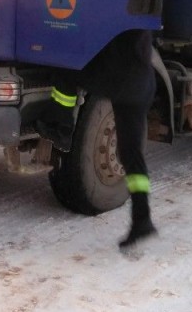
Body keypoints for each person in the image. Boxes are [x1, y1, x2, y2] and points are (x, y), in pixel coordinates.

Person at [36, 29, 157, 249]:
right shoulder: (142, 15)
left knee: (66, 68)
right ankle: (143, 219)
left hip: (120, 80)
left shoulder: (117, 15)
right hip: (141, 85)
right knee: (131, 155)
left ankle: (62, 130)